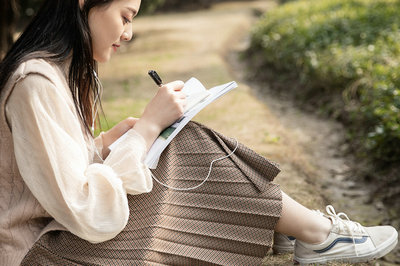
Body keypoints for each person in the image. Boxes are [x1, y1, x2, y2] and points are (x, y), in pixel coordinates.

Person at [0, 0, 397, 265]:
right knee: (182, 144)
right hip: (38, 254)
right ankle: (314, 233)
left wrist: (106, 141)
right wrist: (150, 127)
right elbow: (87, 211)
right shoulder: (36, 80)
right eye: (125, 16)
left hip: (53, 239)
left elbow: (44, 174)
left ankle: (304, 230)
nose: (128, 33)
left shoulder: (56, 75)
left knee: (175, 139)